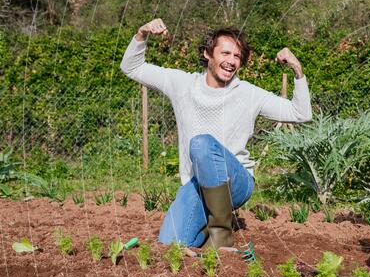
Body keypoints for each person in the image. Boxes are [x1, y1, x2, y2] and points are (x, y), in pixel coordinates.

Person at [120, 18, 312, 248]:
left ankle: (221, 236)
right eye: (225, 53)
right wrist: (142, 34)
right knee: (171, 244)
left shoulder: (249, 94)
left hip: (236, 181)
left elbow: (300, 113)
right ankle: (208, 227)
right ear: (208, 54)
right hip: (199, 184)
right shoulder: (181, 83)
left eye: (237, 56)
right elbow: (131, 67)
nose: (231, 61)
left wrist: (297, 70)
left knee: (201, 144)